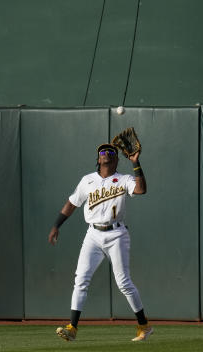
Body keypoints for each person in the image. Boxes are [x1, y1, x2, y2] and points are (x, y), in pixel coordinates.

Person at [47, 142, 152, 342]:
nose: (106, 154)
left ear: (116, 158)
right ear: (98, 159)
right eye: (102, 152)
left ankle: (144, 325)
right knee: (81, 279)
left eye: (110, 151)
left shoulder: (123, 179)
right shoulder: (87, 181)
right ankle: (72, 327)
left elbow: (141, 189)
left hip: (117, 234)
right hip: (93, 234)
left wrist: (136, 163)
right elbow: (72, 203)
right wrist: (56, 225)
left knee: (123, 283)